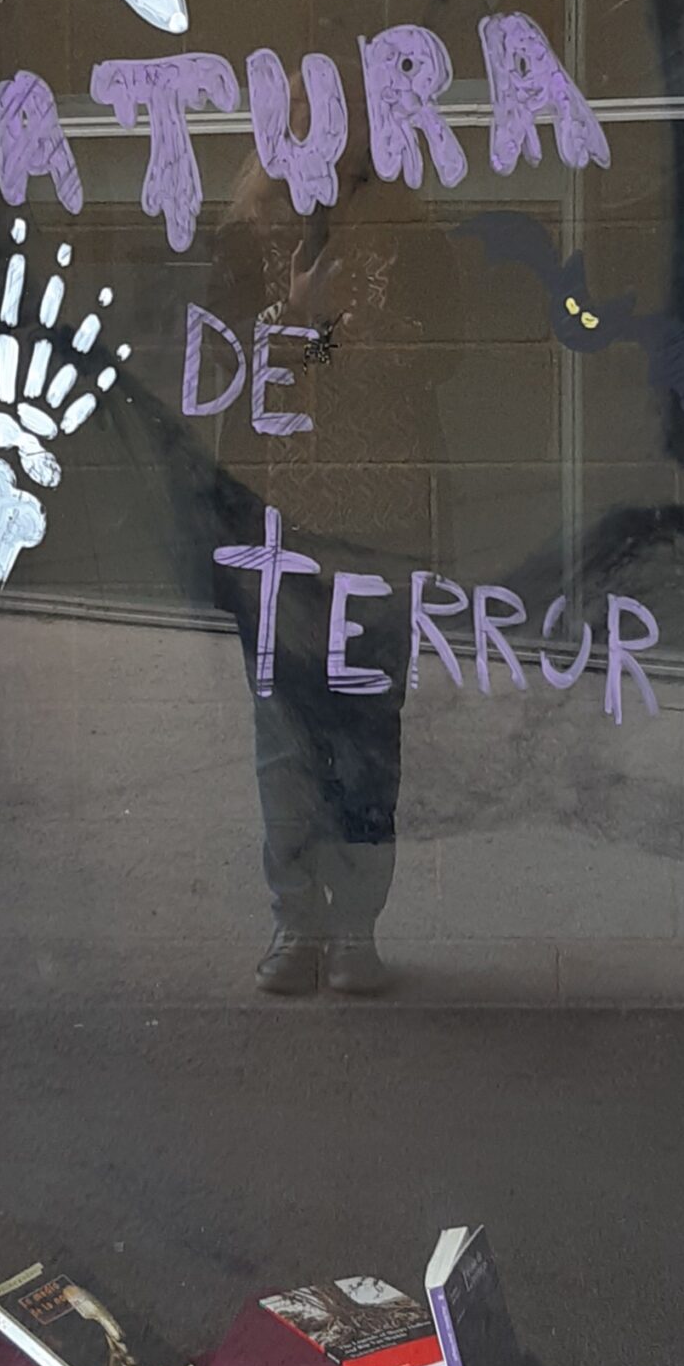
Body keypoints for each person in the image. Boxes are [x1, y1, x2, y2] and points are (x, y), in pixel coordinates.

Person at [201, 124, 458, 999]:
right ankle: (296, 920)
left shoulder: (414, 239)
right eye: (304, 115)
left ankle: (355, 926)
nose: (324, 139)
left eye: (342, 118)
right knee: (284, 736)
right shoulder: (244, 241)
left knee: (368, 733)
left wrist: (344, 330)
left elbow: (449, 357)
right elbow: (223, 365)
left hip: (381, 524)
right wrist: (298, 320)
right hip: (276, 527)